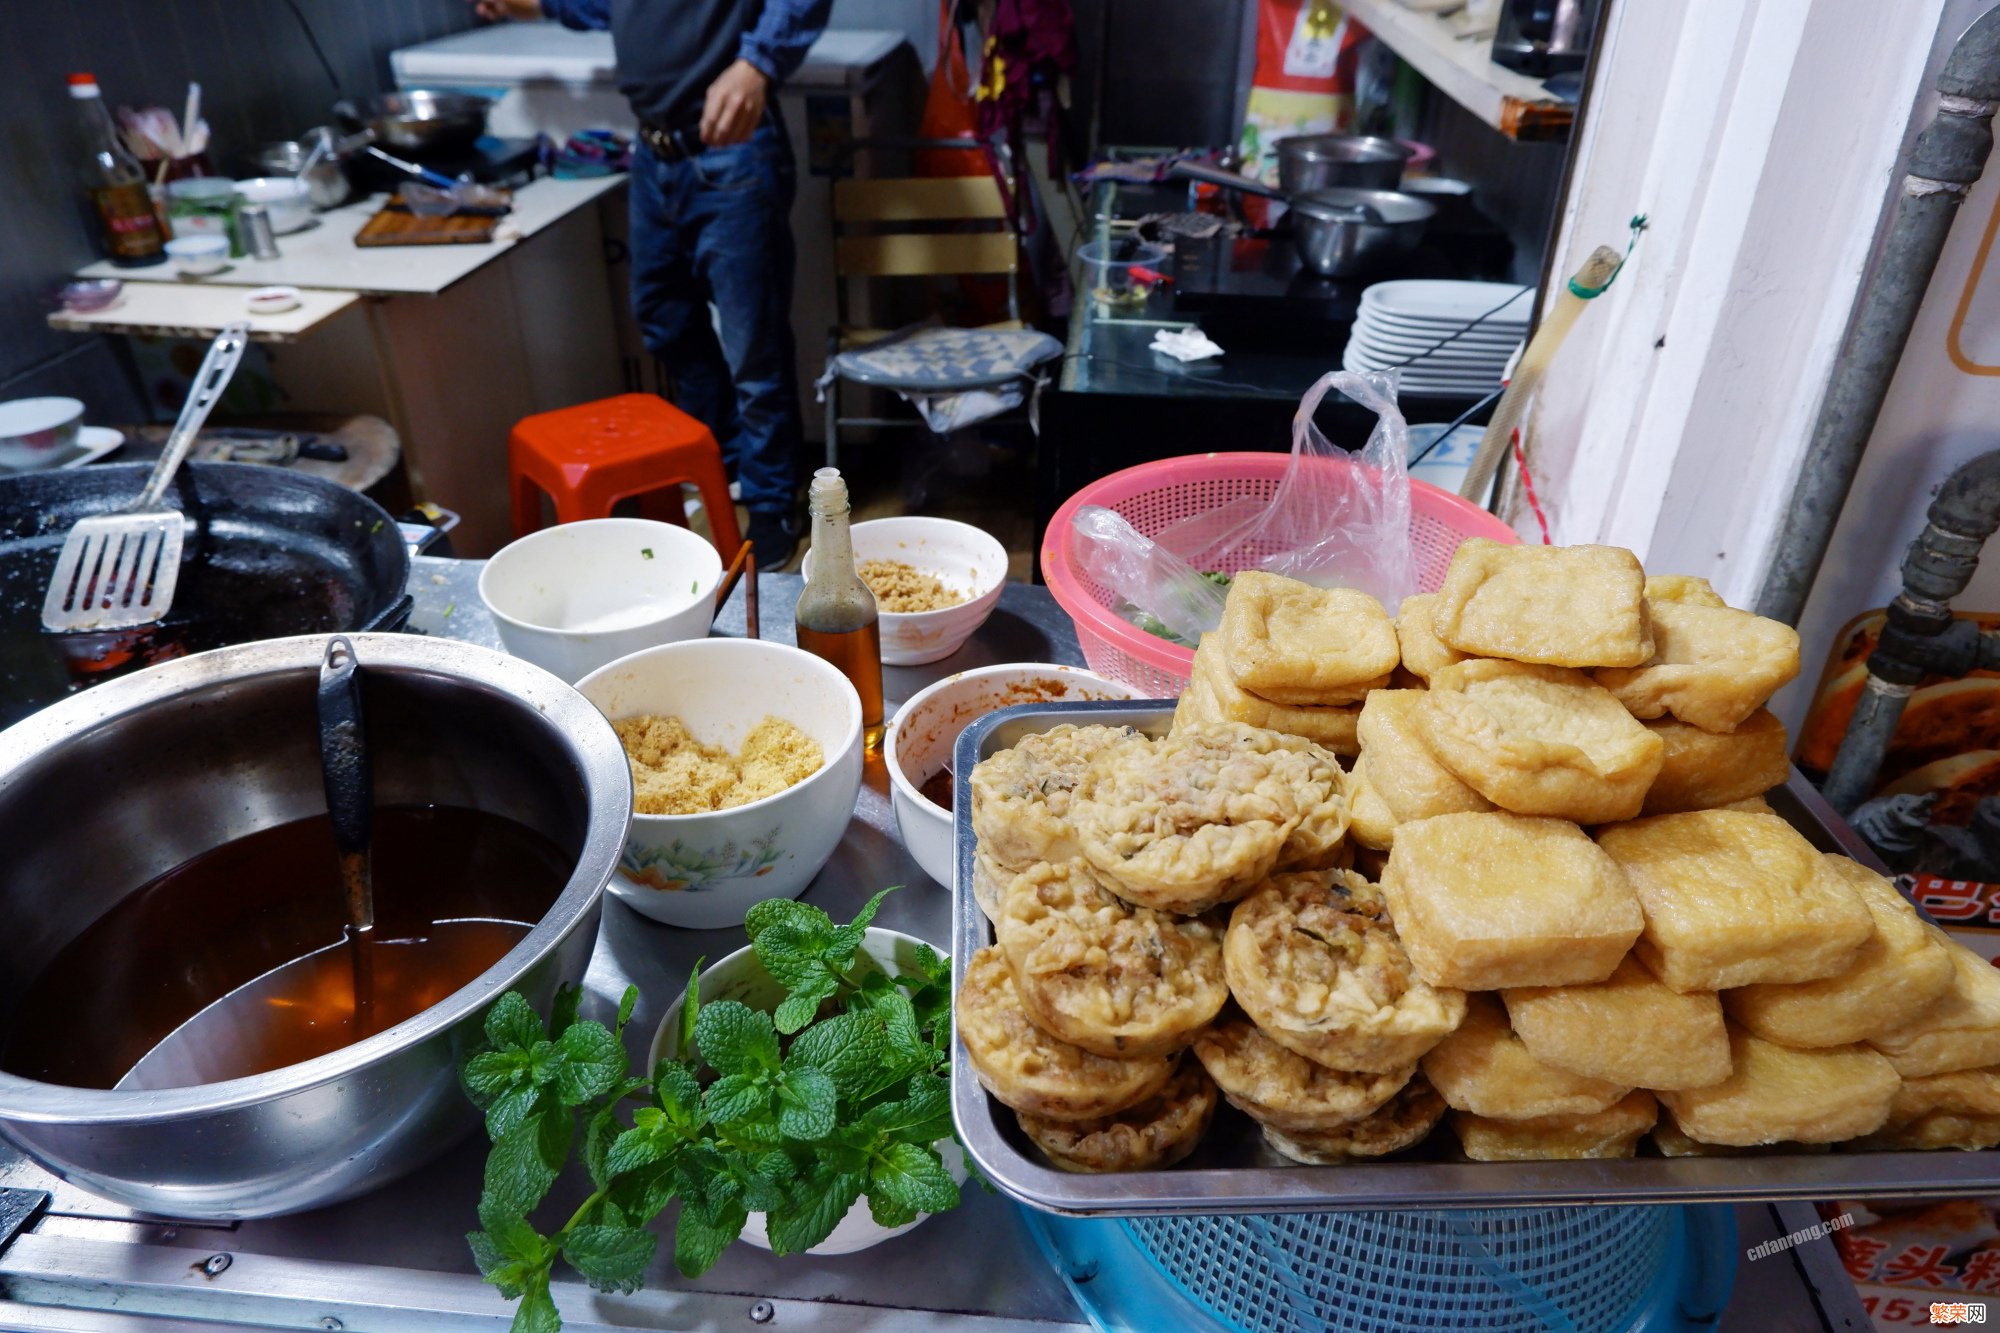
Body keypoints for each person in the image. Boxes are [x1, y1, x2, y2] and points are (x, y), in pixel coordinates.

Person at [472, 0, 830, 561]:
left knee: (751, 348)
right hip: (654, 156)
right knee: (664, 319)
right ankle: (721, 462)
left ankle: (770, 498)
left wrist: (757, 63)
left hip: (733, 153)